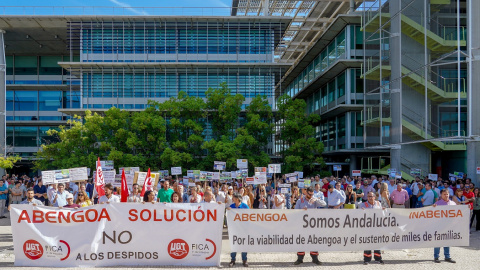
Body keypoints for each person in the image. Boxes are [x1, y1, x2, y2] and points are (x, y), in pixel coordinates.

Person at [293, 187, 326, 265]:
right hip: (303, 224)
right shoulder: (300, 201)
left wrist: (316, 200)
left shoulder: (314, 200)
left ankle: (315, 258)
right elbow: (295, 211)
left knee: (314, 240)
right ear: (306, 192)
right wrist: (301, 211)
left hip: (313, 224)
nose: (311, 196)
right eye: (309, 194)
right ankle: (300, 258)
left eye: (312, 194)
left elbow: (324, 204)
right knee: (301, 240)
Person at [432, 189, 457, 263]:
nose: (446, 195)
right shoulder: (437, 204)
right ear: (441, 195)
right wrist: (433, 207)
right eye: (444, 194)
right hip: (439, 225)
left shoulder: (453, 203)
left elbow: (459, 211)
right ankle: (436, 257)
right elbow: (432, 213)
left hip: (449, 226)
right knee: (438, 241)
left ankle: (447, 256)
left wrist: (467, 208)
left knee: (447, 241)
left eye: (447, 194)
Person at [361, 192, 385, 265]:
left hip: (377, 226)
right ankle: (367, 259)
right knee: (368, 242)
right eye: (369, 196)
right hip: (367, 226)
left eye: (371, 196)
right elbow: (359, 216)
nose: (370, 198)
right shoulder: (363, 204)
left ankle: (378, 258)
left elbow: (382, 215)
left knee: (377, 242)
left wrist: (383, 210)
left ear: (375, 197)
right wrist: (361, 211)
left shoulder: (378, 203)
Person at [227, 192, 249, 267]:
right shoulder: (232, 206)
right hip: (234, 228)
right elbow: (228, 214)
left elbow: (249, 215)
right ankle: (233, 260)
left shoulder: (245, 206)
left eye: (233, 198)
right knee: (234, 244)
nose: (232, 199)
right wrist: (228, 210)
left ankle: (244, 260)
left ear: (237, 199)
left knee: (244, 244)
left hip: (243, 228)